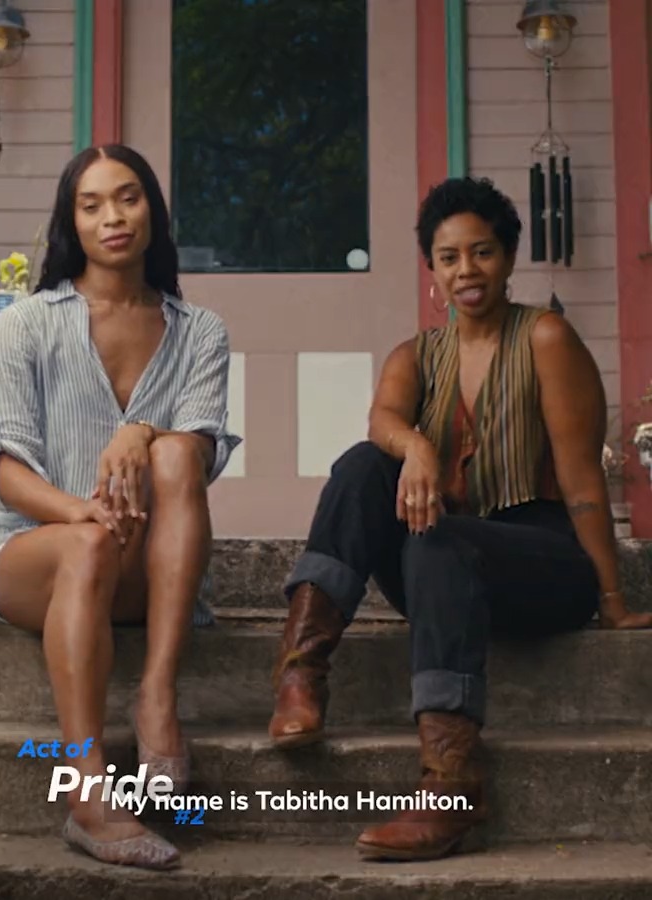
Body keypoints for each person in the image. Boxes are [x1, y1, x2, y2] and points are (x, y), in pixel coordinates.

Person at [267, 176, 652, 862]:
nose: (466, 270)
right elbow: (384, 420)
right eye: (449, 257)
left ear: (508, 258)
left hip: (542, 562)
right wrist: (417, 446)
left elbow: (582, 481)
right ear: (432, 271)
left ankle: (451, 786)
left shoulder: (545, 338)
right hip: (444, 571)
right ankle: (301, 671)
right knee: (364, 466)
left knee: (438, 541)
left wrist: (613, 599)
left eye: (482, 252)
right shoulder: (419, 355)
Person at [0, 144, 240, 870]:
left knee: (177, 453)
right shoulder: (27, 324)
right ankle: (88, 797)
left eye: (128, 197)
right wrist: (78, 514)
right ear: (72, 222)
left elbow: (200, 456)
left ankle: (157, 696)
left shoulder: (200, 332)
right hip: (39, 556)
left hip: (146, 569)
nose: (113, 217)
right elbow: (3, 470)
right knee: (87, 544)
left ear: (152, 209)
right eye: (91, 205)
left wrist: (142, 431)